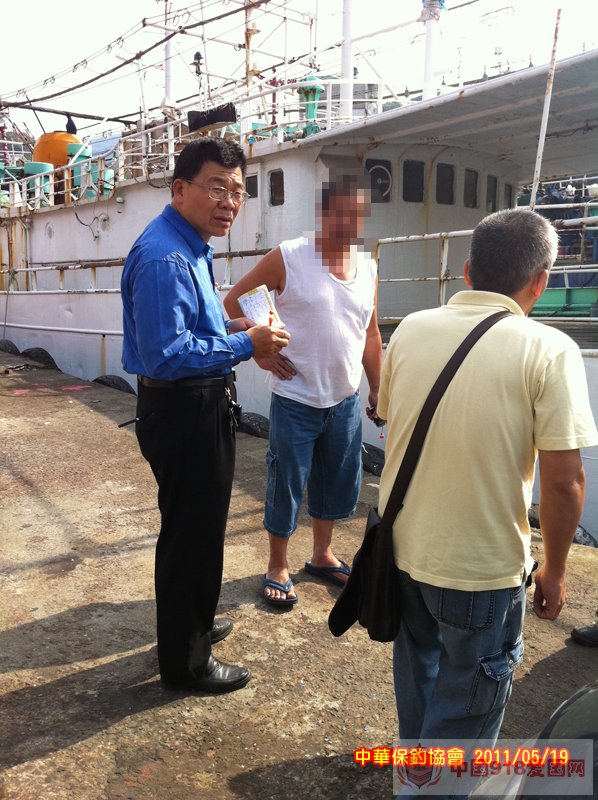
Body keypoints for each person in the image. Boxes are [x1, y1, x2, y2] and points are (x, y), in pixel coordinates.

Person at [377, 210, 598, 757]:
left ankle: (419, 771)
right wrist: (554, 570)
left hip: (401, 550)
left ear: (468, 271)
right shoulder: (549, 349)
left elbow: (393, 421)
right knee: (469, 710)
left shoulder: (409, 329)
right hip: (480, 571)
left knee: (419, 674)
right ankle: (435, 786)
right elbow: (565, 483)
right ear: (540, 282)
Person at [121, 138, 290, 693]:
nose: (229, 202)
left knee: (195, 529)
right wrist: (247, 345)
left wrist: (235, 328)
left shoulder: (190, 244)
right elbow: (165, 355)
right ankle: (187, 663)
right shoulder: (166, 257)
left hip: (195, 403)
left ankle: (190, 624)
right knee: (191, 535)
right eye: (217, 187)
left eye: (237, 191)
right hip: (183, 408)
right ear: (180, 189)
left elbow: (192, 328)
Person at [224, 173, 382, 608]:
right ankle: (277, 565)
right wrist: (260, 351)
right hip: (296, 397)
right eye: (341, 212)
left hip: (344, 399)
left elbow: (370, 333)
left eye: (357, 214)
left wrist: (377, 388)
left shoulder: (368, 267)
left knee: (336, 481)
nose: (349, 222)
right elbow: (236, 300)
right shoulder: (290, 256)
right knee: (286, 483)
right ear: (324, 213)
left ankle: (321, 555)